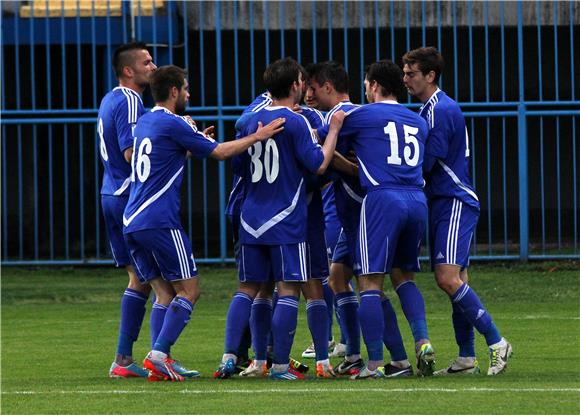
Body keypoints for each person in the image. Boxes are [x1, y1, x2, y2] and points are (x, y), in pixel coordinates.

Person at [123, 65, 285, 381]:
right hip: (159, 220)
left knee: (164, 293)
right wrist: (258, 136)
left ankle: (162, 358)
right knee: (190, 289)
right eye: (185, 89)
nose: (188, 94)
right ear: (173, 92)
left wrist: (191, 143)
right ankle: (158, 355)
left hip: (132, 219)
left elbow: (163, 156)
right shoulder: (174, 123)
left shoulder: (146, 121)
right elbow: (221, 153)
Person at [402, 46, 512, 376]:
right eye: (404, 74)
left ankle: (497, 342)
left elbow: (426, 163)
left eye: (411, 74)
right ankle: (466, 357)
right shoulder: (428, 110)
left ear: (430, 75)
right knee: (458, 279)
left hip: (453, 200)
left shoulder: (440, 109)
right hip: (443, 202)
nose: (405, 79)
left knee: (447, 278)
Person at [232, 57, 343, 380]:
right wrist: (331, 132)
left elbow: (239, 162)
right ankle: (280, 361)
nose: (308, 91)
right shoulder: (295, 118)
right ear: (295, 85)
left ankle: (255, 359)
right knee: (291, 287)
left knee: (265, 288)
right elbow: (320, 163)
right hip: (291, 213)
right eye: (303, 83)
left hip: (266, 213)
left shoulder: (253, 117)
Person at [329, 59, 430, 379]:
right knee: (404, 276)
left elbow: (324, 144)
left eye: (366, 85)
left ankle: (373, 364)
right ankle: (421, 342)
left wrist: (336, 136)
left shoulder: (361, 115)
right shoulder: (418, 121)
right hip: (416, 198)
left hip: (382, 199)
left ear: (373, 86)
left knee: (369, 282)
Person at [98, 42, 156, 378]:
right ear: (128, 71)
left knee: (140, 279)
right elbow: (132, 154)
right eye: (146, 62)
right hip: (128, 197)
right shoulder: (132, 100)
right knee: (165, 281)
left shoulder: (110, 98)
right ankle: (159, 355)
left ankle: (124, 359)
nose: (153, 65)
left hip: (110, 194)